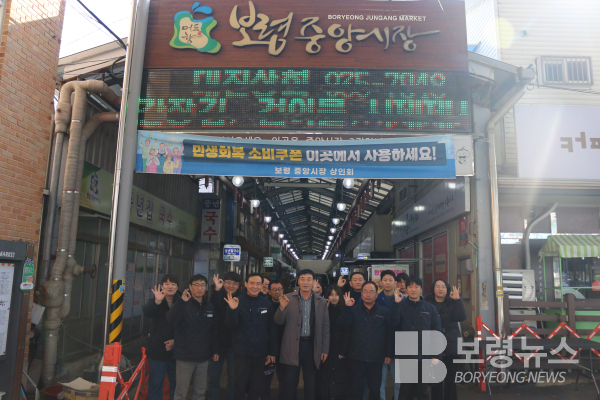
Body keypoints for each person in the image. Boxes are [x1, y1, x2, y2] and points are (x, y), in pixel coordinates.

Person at [339, 281, 402, 400]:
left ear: (376, 295)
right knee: (356, 389)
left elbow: (389, 332)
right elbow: (345, 326)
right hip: (356, 357)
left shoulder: (384, 311)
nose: (368, 294)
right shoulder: (354, 310)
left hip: (376, 357)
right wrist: (347, 307)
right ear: (361, 294)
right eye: (365, 292)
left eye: (371, 292)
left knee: (375, 389)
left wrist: (389, 353)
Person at [275, 269, 330, 400]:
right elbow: (278, 321)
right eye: (302, 279)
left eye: (309, 279)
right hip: (292, 346)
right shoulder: (288, 298)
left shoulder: (321, 301)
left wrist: (324, 349)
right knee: (290, 383)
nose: (305, 282)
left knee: (311, 383)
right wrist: (281, 307)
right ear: (298, 281)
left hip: (311, 346)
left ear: (313, 282)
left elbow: (325, 327)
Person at [225, 273, 278, 400]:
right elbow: (230, 326)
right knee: (239, 386)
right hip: (241, 353)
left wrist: (272, 352)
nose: (255, 286)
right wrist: (232, 310)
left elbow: (272, 329)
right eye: (252, 283)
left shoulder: (266, 303)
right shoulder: (237, 301)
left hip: (260, 353)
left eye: (258, 284)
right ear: (246, 284)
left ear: (262, 285)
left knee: (256, 387)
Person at [166, 274, 219, 400]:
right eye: (196, 285)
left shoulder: (209, 306)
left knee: (200, 392)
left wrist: (215, 350)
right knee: (181, 393)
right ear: (190, 287)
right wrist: (181, 302)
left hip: (203, 357)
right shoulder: (183, 303)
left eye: (202, 285)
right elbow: (170, 320)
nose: (200, 288)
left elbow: (213, 331)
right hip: (185, 356)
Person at [396, 277, 442, 400]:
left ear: (421, 289)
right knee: (405, 391)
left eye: (416, 287)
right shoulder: (400, 306)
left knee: (422, 390)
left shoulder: (430, 308)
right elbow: (393, 325)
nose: (413, 290)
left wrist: (436, 355)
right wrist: (395, 305)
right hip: (406, 356)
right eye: (410, 287)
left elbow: (436, 332)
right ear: (406, 289)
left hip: (425, 356)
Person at [426, 280, 466, 400]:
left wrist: (458, 300)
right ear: (433, 289)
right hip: (433, 343)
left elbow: (461, 317)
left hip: (451, 343)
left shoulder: (452, 302)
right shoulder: (427, 303)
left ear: (447, 289)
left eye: (443, 287)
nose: (440, 289)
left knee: (450, 379)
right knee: (436, 379)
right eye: (437, 286)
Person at [143, 274, 180, 400]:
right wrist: (157, 302)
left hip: (177, 353)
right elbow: (147, 312)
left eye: (173, 284)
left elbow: (187, 326)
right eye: (167, 284)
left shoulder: (182, 301)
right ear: (162, 286)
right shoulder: (156, 300)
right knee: (155, 385)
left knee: (177, 386)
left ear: (177, 287)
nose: (170, 287)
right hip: (157, 352)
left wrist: (176, 341)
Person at [208, 272, 242, 400]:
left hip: (235, 345)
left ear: (239, 285)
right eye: (228, 282)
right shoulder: (218, 295)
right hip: (218, 344)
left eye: (234, 283)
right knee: (214, 377)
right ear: (223, 283)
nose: (231, 285)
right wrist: (217, 290)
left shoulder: (242, 298)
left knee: (234, 379)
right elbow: (213, 307)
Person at [315, 285, 351, 400]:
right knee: (323, 376)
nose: (334, 297)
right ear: (326, 296)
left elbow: (348, 332)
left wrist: (344, 351)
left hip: (340, 350)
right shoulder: (323, 309)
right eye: (331, 294)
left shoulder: (345, 310)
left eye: (337, 294)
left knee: (340, 377)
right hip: (325, 350)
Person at [377, 271, 404, 400]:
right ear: (380, 283)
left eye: (390, 280)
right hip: (379, 345)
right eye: (385, 280)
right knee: (379, 382)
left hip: (398, 345)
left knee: (398, 382)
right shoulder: (375, 299)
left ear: (395, 282)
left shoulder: (403, 300)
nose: (388, 282)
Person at [261, 280, 286, 400]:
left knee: (284, 380)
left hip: (284, 349)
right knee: (265, 380)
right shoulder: (265, 305)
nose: (277, 292)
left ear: (283, 291)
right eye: (274, 289)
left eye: (280, 289)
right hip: (268, 349)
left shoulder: (289, 305)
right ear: (269, 292)